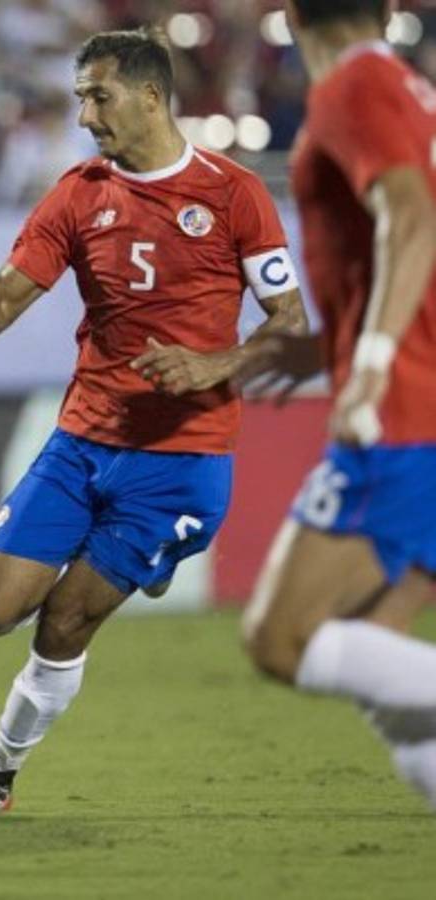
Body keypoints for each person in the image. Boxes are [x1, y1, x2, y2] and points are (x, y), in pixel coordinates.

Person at [0, 28, 308, 814]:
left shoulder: (232, 194)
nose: (86, 116)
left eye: (98, 97)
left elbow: (288, 322)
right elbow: (3, 296)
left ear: (150, 96)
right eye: (79, 100)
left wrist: (213, 365)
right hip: (80, 442)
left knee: (64, 621)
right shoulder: (77, 192)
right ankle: (136, 565)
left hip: (180, 460)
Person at [239, 0, 436, 809]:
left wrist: (372, 363)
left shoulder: (350, 86)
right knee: (378, 662)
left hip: (406, 411)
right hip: (416, 392)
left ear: (286, 14)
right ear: (390, 9)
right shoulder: (409, 89)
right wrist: (335, 350)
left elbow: (413, 219)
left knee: (280, 638)